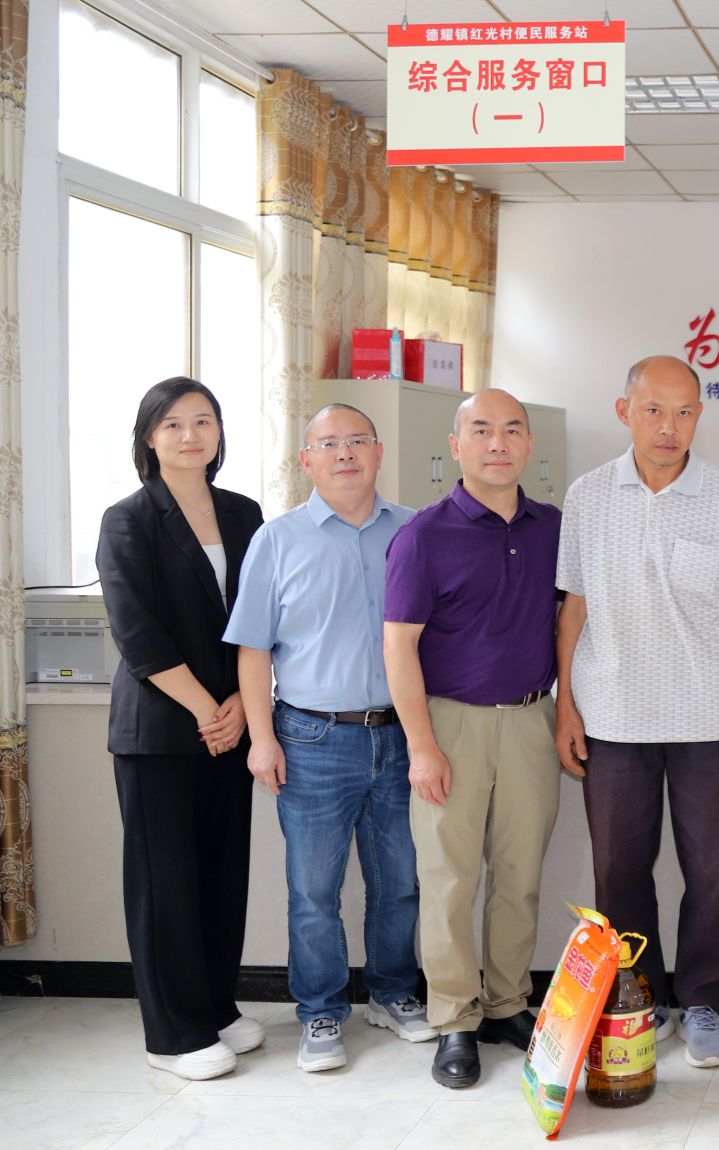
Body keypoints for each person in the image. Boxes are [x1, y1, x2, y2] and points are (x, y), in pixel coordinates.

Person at [555, 355, 719, 1070]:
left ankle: (702, 1000)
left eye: (683, 412)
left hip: (707, 717)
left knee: (713, 871)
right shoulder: (588, 496)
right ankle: (636, 998)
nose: (668, 427)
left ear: (699, 416)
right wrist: (567, 706)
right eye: (653, 410)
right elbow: (573, 608)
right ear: (625, 412)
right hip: (612, 715)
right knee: (619, 871)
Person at [227, 404, 437, 1073]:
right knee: (314, 891)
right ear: (306, 460)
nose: (344, 453)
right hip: (311, 739)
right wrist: (262, 739)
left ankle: (394, 993)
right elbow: (253, 651)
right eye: (328, 443)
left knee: (399, 882)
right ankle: (320, 1011)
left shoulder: (415, 530)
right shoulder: (277, 540)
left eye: (357, 441)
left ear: (378, 452)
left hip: (400, 735)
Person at [384, 388, 564, 1090]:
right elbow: (399, 647)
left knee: (519, 875)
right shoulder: (424, 535)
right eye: (481, 430)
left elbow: (570, 625)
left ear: (529, 445)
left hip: (531, 720)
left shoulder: (553, 528)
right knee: (449, 879)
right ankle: (455, 1019)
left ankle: (508, 1003)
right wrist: (421, 746)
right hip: (449, 723)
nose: (498, 443)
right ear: (456, 446)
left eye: (512, 430)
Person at [97, 377, 265, 1080]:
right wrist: (206, 708)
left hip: (233, 719)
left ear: (220, 433)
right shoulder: (128, 519)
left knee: (221, 874)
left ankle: (216, 1008)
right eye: (173, 424)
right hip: (162, 729)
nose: (190, 435)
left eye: (203, 421)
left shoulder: (245, 512)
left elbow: (262, 616)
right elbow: (136, 633)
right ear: (149, 437)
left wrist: (242, 707)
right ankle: (172, 1034)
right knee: (165, 881)